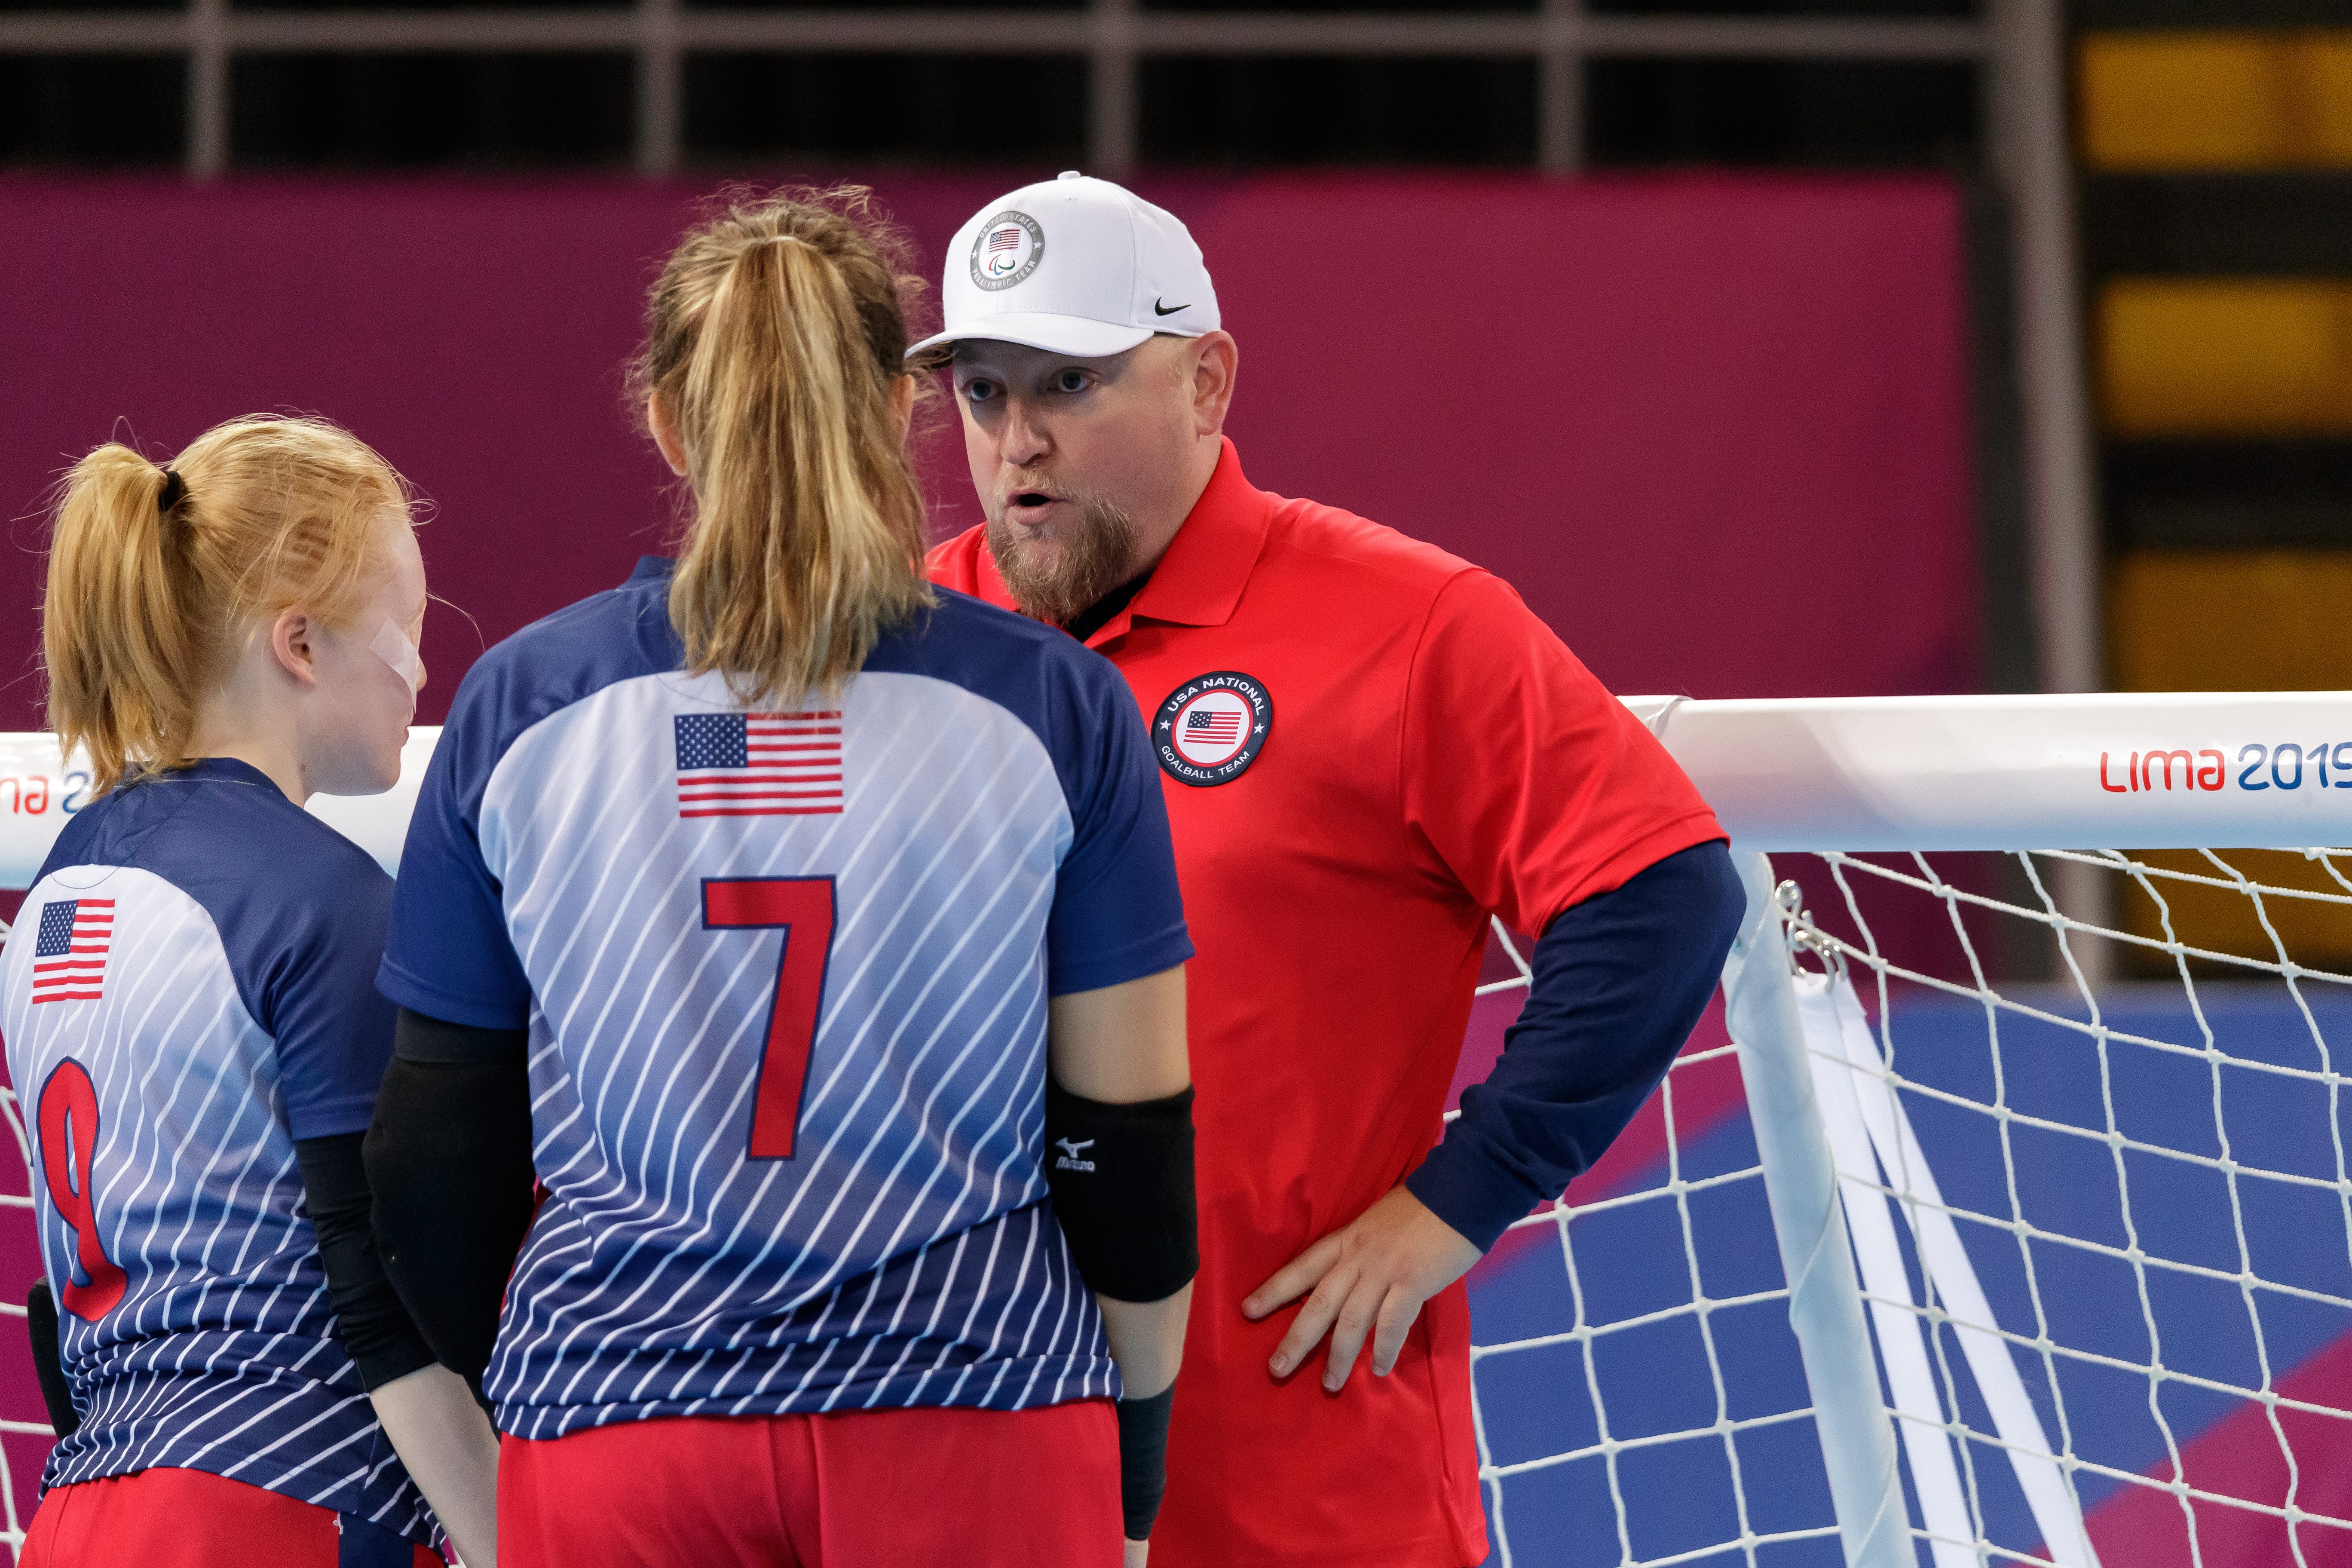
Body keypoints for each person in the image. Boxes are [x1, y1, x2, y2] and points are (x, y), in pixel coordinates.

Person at [918, 172, 1749, 1568]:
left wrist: (1460, 1200)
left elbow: (1661, 892)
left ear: (1207, 381)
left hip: (1293, 1483)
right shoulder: (903, 631)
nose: (1019, 443)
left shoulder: (1411, 626)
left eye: (1069, 381)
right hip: (953, 1452)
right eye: (985, 393)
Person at [361, 187, 1199, 1568]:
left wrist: (546, 1386)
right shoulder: (1053, 710)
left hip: (621, 1425)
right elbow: (1131, 1146)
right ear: (894, 408)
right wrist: (1139, 1454)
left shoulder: (523, 711)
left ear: (670, 423)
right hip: (974, 1407)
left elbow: (432, 1162)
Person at [2, 416, 499, 1568]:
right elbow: (385, 1319)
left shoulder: (59, 893)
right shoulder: (326, 905)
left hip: (78, 1512)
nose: (423, 671)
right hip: (284, 1506)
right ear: (302, 644)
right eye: (412, 628)